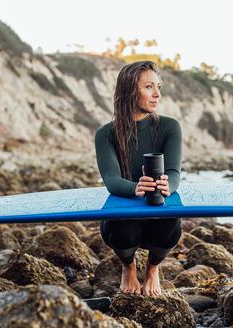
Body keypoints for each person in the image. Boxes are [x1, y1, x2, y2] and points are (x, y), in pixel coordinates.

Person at [94, 61, 182, 296]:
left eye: (158, 87)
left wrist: (167, 185)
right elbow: (111, 179)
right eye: (149, 87)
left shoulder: (169, 127)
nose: (157, 94)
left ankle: (153, 269)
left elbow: (174, 173)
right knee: (123, 224)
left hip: (157, 209)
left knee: (171, 219)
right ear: (130, 90)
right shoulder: (106, 134)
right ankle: (128, 267)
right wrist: (136, 187)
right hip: (124, 216)